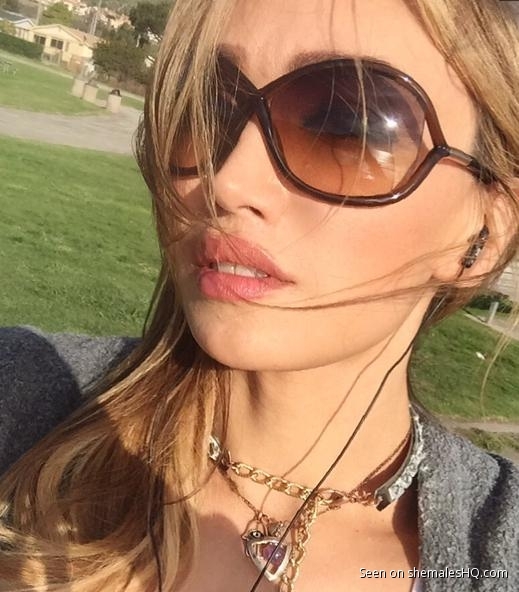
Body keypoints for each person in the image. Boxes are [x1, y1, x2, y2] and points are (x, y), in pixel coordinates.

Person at [0, 0, 518, 591]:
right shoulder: (24, 393)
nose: (225, 182)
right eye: (207, 108)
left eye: (346, 128)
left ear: (485, 231)